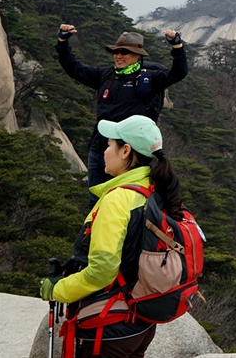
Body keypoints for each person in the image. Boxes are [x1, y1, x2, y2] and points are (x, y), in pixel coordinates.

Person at [40, 115, 183, 358]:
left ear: (125, 151)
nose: (105, 152)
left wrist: (58, 289)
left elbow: (102, 271)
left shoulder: (118, 199)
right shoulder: (156, 191)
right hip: (140, 322)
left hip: (109, 324)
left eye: (109, 145)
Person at [56, 25, 188, 190]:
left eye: (124, 52)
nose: (118, 56)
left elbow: (178, 72)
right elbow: (75, 69)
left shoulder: (149, 78)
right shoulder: (106, 75)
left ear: (137, 55)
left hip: (130, 153)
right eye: (116, 52)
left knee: (127, 197)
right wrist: (62, 42)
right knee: (95, 199)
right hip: (100, 148)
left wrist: (177, 47)